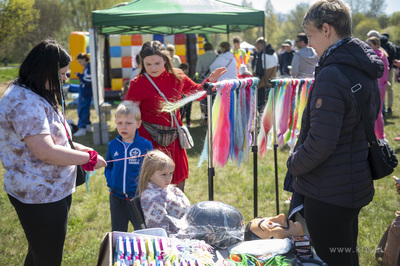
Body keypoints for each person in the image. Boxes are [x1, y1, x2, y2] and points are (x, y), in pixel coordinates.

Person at [286, 1, 383, 265]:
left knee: (333, 258)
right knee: (346, 254)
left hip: (329, 191)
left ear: (326, 29)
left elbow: (321, 143)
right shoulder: (361, 65)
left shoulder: (332, 73)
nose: (309, 43)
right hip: (351, 184)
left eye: (310, 35)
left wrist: (293, 164)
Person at [0, 39, 107, 265]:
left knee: (39, 253)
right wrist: (88, 158)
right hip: (39, 196)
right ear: (43, 71)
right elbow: (45, 151)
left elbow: (53, 138)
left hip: (49, 191)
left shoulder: (34, 91)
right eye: (62, 75)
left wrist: (79, 148)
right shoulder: (24, 102)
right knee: (48, 259)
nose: (66, 79)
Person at [125, 41, 226, 191]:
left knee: (177, 180)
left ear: (165, 60)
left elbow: (196, 93)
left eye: (157, 63)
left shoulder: (177, 76)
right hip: (149, 141)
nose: (153, 68)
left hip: (174, 139)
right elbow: (128, 114)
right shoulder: (137, 83)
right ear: (142, 63)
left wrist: (210, 81)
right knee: (152, 183)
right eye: (148, 64)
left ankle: (177, 210)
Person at [104, 101, 153, 232]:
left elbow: (151, 170)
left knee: (142, 231)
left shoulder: (145, 145)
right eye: (120, 123)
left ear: (138, 124)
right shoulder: (112, 145)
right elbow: (108, 166)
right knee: (118, 232)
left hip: (137, 198)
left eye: (128, 123)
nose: (123, 127)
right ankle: (118, 252)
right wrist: (111, 181)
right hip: (116, 197)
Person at [138, 150, 191, 235]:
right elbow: (160, 231)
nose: (168, 178)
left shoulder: (170, 189)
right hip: (176, 239)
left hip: (188, 229)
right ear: (149, 175)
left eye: (171, 173)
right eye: (164, 174)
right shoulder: (152, 198)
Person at [366, 36, 389, 144]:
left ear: (376, 45)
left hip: (376, 87)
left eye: (369, 45)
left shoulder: (375, 55)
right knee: (377, 113)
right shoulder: (382, 54)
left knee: (375, 113)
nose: (367, 47)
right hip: (381, 87)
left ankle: (379, 137)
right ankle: (380, 137)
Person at [252, 37, 278, 113]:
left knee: (261, 109)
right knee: (270, 109)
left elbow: (259, 72)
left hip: (262, 85)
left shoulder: (262, 56)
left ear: (260, 44)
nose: (257, 48)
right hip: (272, 84)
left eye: (257, 45)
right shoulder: (274, 54)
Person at [195, 42, 218, 121]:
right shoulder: (216, 56)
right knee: (215, 99)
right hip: (215, 81)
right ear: (212, 48)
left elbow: (198, 70)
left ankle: (206, 119)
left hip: (205, 81)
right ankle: (215, 118)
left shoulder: (201, 57)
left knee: (205, 100)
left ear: (204, 49)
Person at [73, 53, 93, 137]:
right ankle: (87, 125)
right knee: (85, 108)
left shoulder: (89, 66)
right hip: (86, 91)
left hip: (85, 91)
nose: (80, 64)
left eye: (80, 61)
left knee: (82, 108)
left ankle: (82, 127)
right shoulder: (88, 66)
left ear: (84, 59)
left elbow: (88, 79)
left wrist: (79, 75)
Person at [178, 63, 193, 127]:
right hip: (186, 96)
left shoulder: (176, 76)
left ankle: (181, 122)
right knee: (187, 109)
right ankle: (188, 122)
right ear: (185, 70)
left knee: (181, 110)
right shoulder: (186, 77)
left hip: (182, 96)